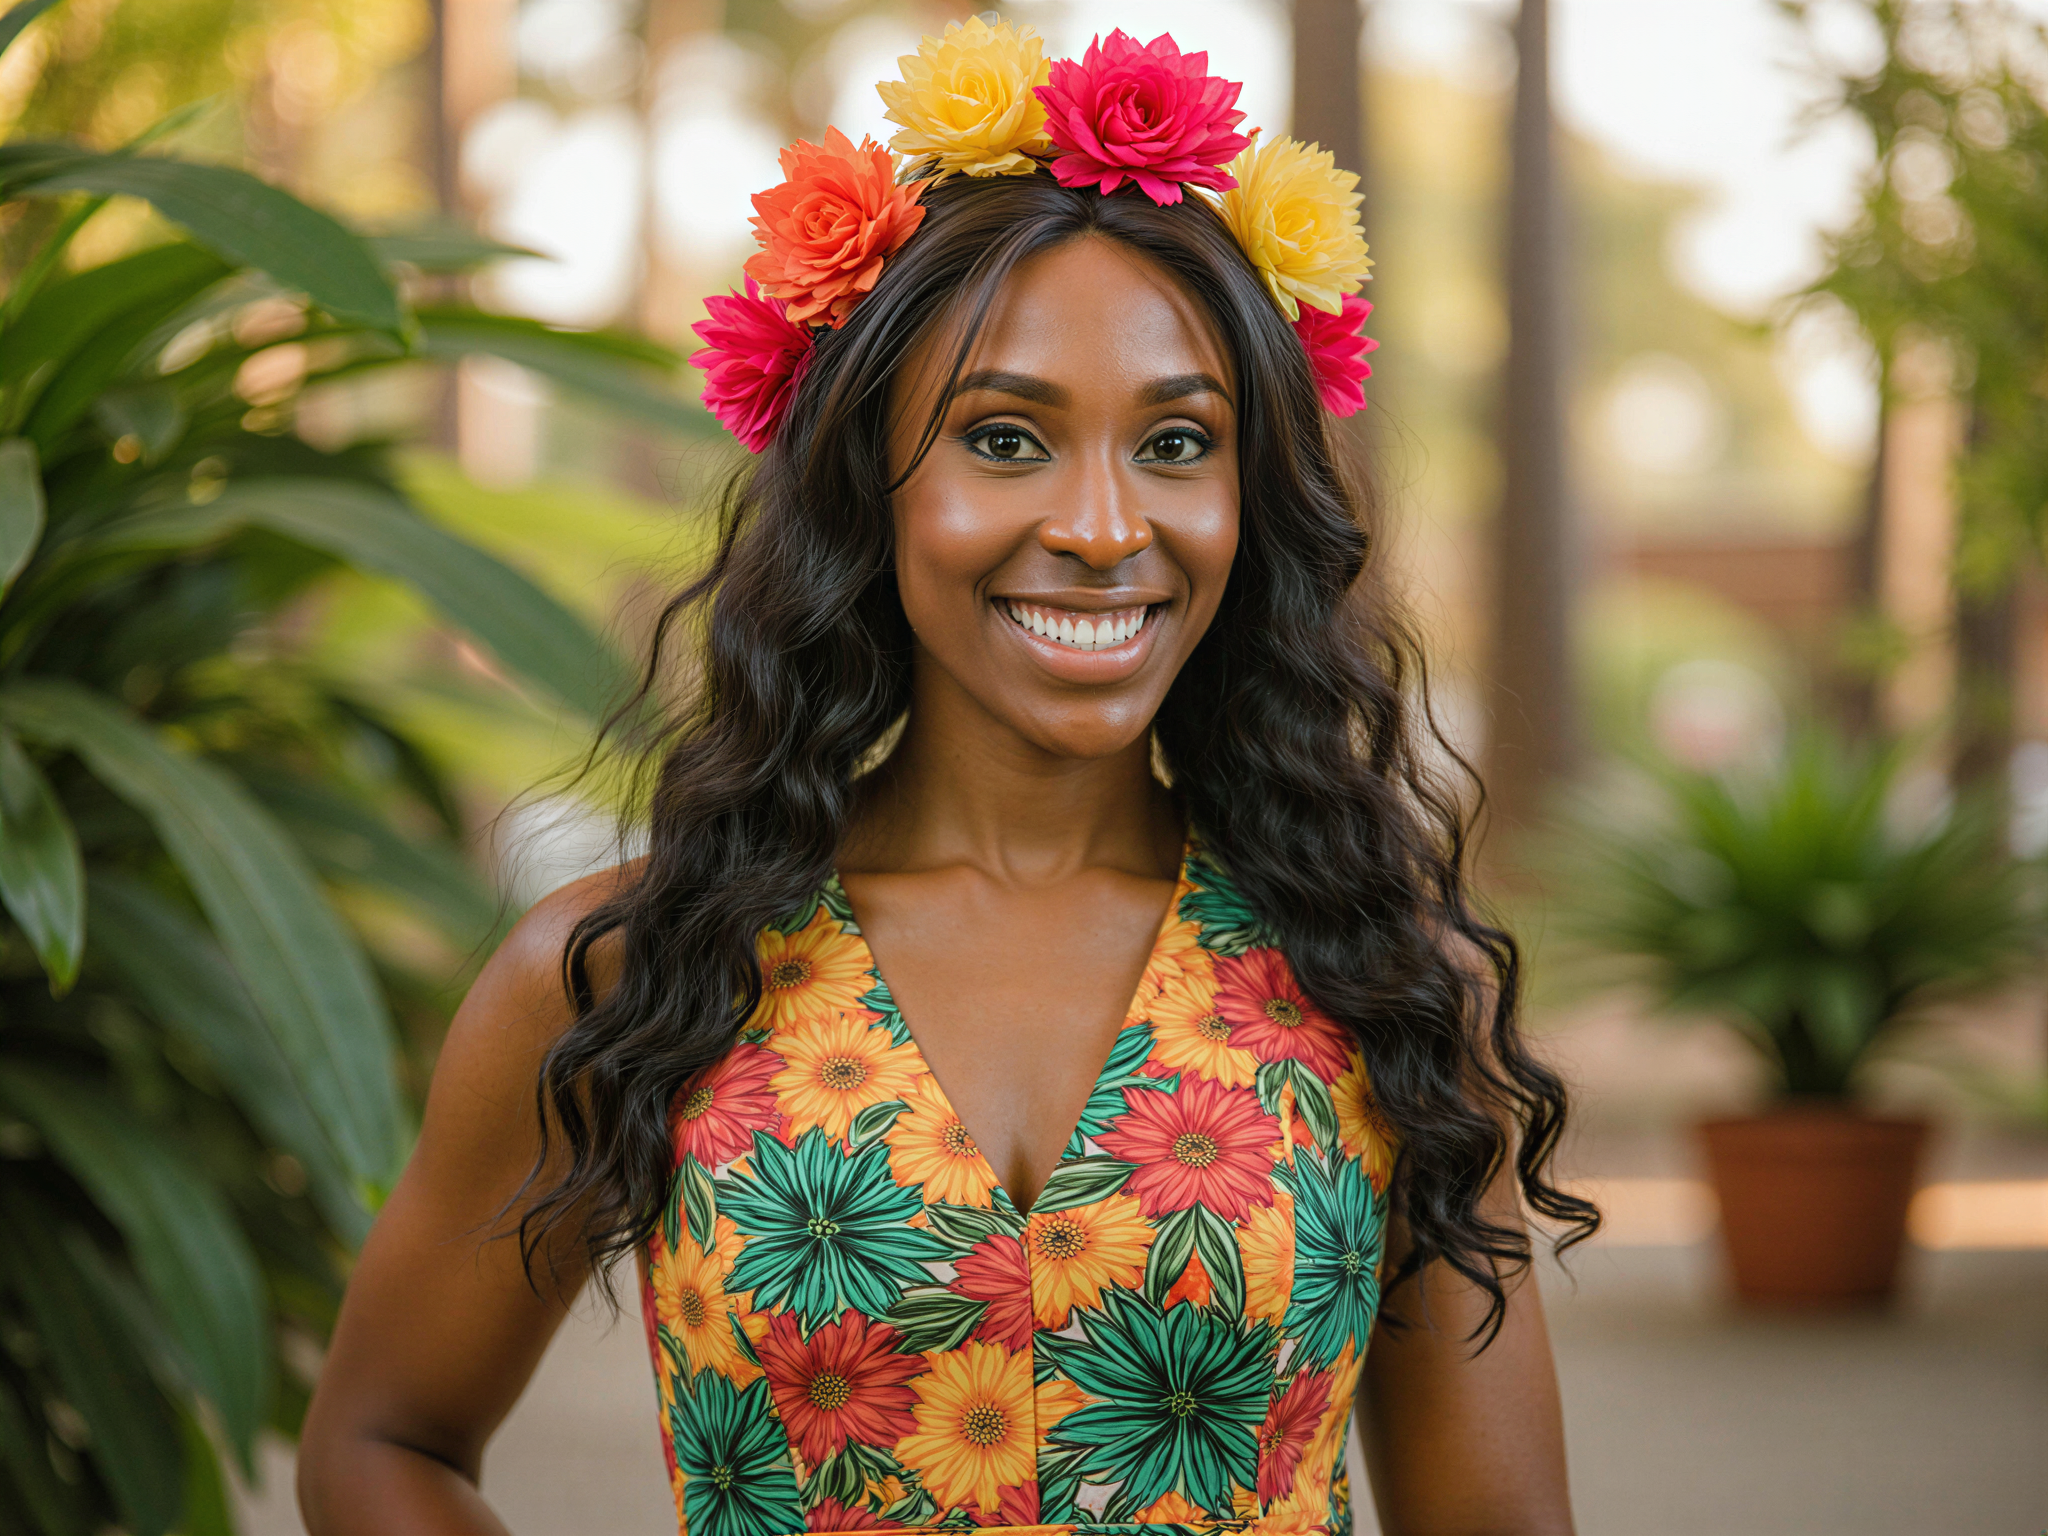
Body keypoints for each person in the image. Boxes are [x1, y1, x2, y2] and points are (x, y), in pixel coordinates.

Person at [299, 19, 1594, 1536]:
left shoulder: (1384, 988)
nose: (1107, 525)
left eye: (1178, 442)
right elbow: (381, 1443)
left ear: (1256, 501)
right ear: (871, 481)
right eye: (1005, 437)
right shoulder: (624, 976)